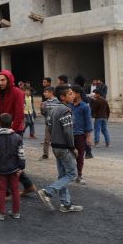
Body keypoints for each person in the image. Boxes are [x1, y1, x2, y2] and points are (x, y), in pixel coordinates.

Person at [0, 70, 37, 198]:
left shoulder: (17, 92)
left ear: (9, 79)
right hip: (2, 129)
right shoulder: (0, 92)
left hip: (14, 131)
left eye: (3, 80)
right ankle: (27, 186)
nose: (0, 82)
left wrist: (12, 132)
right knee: (9, 160)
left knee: (10, 160)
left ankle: (7, 192)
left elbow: (20, 115)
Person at [37, 85, 82, 213]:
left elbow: (49, 127)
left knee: (62, 175)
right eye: (70, 94)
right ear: (63, 97)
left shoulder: (53, 109)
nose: (73, 96)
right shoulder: (65, 110)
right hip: (64, 147)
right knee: (72, 174)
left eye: (73, 94)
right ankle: (48, 191)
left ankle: (65, 204)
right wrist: (73, 148)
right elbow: (68, 132)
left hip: (55, 146)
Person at [0, 112, 25, 221]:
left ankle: (1, 213)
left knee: (1, 190)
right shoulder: (17, 137)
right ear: (12, 123)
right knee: (15, 190)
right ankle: (16, 212)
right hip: (14, 168)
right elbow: (21, 153)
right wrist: (21, 167)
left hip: (0, 169)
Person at [71, 86, 93, 183]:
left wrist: (88, 136)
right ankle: (69, 174)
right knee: (68, 156)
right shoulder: (68, 105)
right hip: (68, 135)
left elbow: (88, 122)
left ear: (78, 94)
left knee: (80, 156)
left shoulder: (84, 107)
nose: (71, 95)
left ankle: (79, 175)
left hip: (80, 135)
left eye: (72, 93)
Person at [40, 85, 55, 159]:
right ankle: (45, 154)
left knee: (57, 140)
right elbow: (43, 113)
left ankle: (58, 153)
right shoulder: (44, 103)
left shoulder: (57, 102)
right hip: (48, 124)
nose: (44, 94)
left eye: (45, 92)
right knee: (46, 140)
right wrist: (42, 108)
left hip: (56, 125)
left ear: (51, 93)